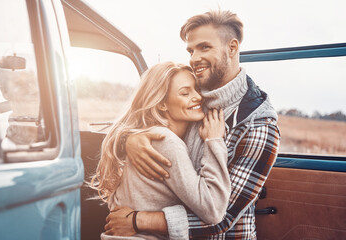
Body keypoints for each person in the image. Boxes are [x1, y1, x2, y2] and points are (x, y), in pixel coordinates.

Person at [105, 10, 280, 240]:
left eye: (204, 47)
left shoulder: (258, 125)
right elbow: (143, 116)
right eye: (191, 50)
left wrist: (138, 220)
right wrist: (131, 139)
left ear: (232, 48)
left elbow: (222, 215)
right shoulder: (194, 98)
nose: (194, 58)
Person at [93, 61, 232, 240]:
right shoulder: (165, 141)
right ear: (162, 104)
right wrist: (214, 141)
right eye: (185, 93)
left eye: (196, 89)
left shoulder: (148, 137)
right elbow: (212, 208)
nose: (197, 96)